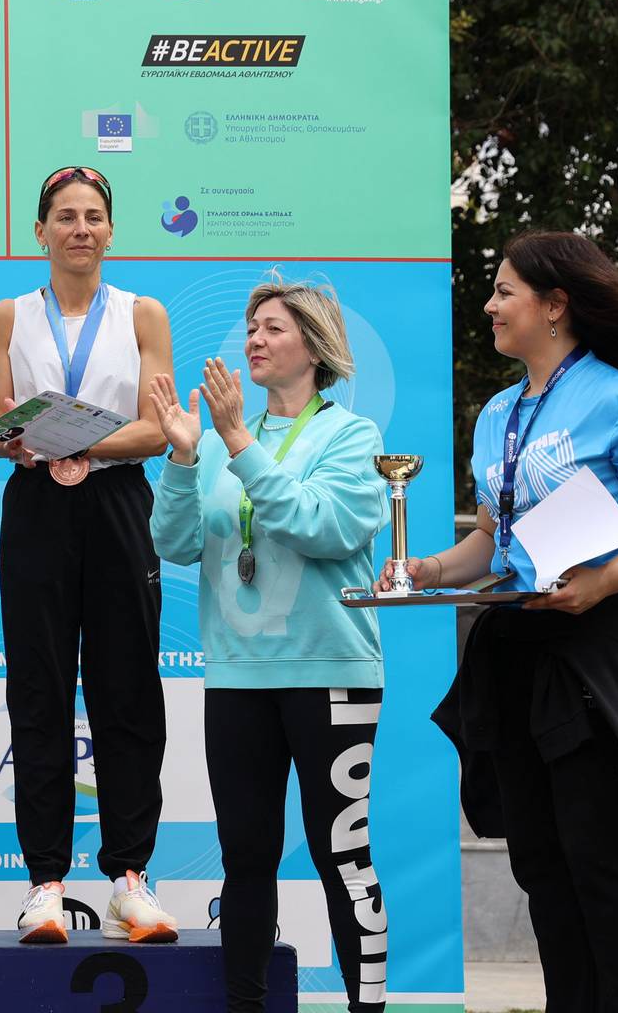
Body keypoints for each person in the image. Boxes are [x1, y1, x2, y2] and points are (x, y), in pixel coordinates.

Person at [379, 230, 618, 1013]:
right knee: (541, 866)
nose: (489, 306)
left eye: (504, 292)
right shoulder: (497, 413)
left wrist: (604, 580)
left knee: (602, 863)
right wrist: (426, 570)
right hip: (519, 650)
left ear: (555, 305)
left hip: (604, 651)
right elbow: (493, 540)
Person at [148, 275, 391, 1013]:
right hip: (237, 677)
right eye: (250, 328)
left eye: (273, 328)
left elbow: (323, 527)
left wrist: (237, 442)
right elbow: (176, 542)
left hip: (330, 675)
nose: (254, 339)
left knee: (340, 855)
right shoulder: (219, 442)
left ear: (315, 348)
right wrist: (183, 460)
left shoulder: (352, 436)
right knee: (246, 860)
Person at [0, 165, 179, 945]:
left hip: (119, 503)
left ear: (111, 229)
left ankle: (131, 878)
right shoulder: (6, 317)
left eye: (94, 216)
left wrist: (76, 441)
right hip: (37, 507)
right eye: (65, 217)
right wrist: (20, 441)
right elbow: (0, 428)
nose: (81, 229)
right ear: (40, 232)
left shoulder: (143, 313)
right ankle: (45, 885)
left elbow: (157, 429)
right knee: (39, 691)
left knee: (128, 690)